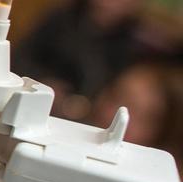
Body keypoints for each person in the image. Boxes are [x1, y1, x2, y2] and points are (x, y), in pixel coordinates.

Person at [14, 0, 147, 121]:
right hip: (32, 101)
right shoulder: (61, 17)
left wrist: (84, 105)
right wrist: (43, 84)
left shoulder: (132, 45)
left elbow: (117, 92)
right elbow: (19, 58)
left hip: (88, 120)